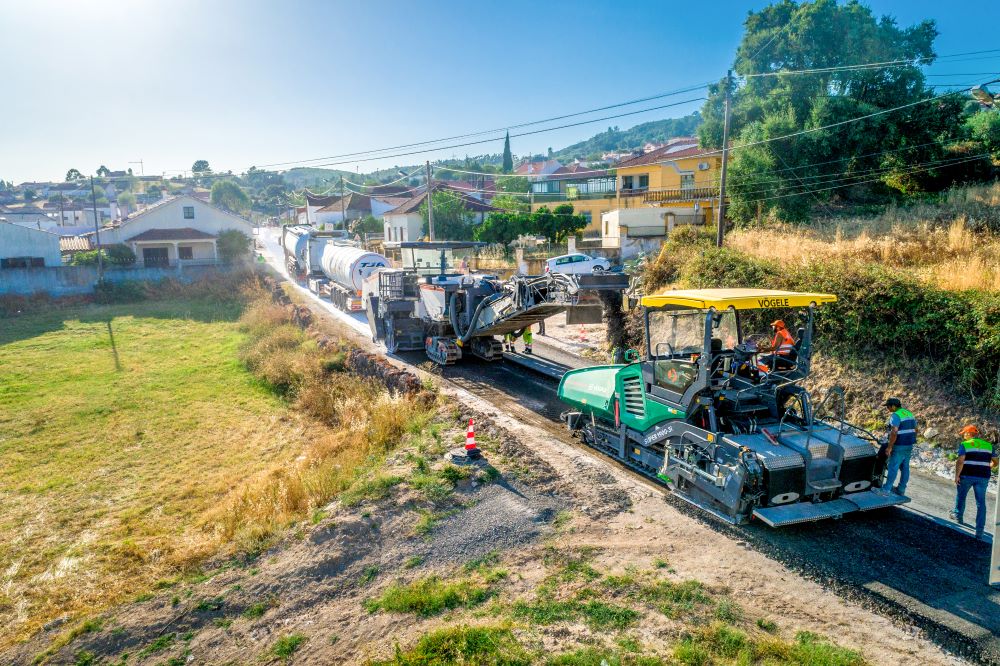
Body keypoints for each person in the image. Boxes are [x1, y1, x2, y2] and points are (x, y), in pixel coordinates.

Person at [949, 425, 998, 540]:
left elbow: (960, 461)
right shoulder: (988, 445)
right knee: (981, 503)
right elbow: (996, 461)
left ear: (968, 434)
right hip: (983, 477)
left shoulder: (965, 445)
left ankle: (958, 516)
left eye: (964, 434)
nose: (963, 436)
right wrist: (989, 466)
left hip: (967, 475)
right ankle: (979, 531)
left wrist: (957, 476)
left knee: (961, 496)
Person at [881, 397, 916, 496]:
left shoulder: (895, 415)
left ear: (893, 406)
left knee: (893, 467)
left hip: (899, 444)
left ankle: (886, 489)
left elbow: (894, 431)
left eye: (888, 407)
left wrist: (889, 447)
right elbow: (915, 428)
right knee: (905, 467)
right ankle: (901, 490)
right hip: (909, 445)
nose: (888, 409)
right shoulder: (909, 413)